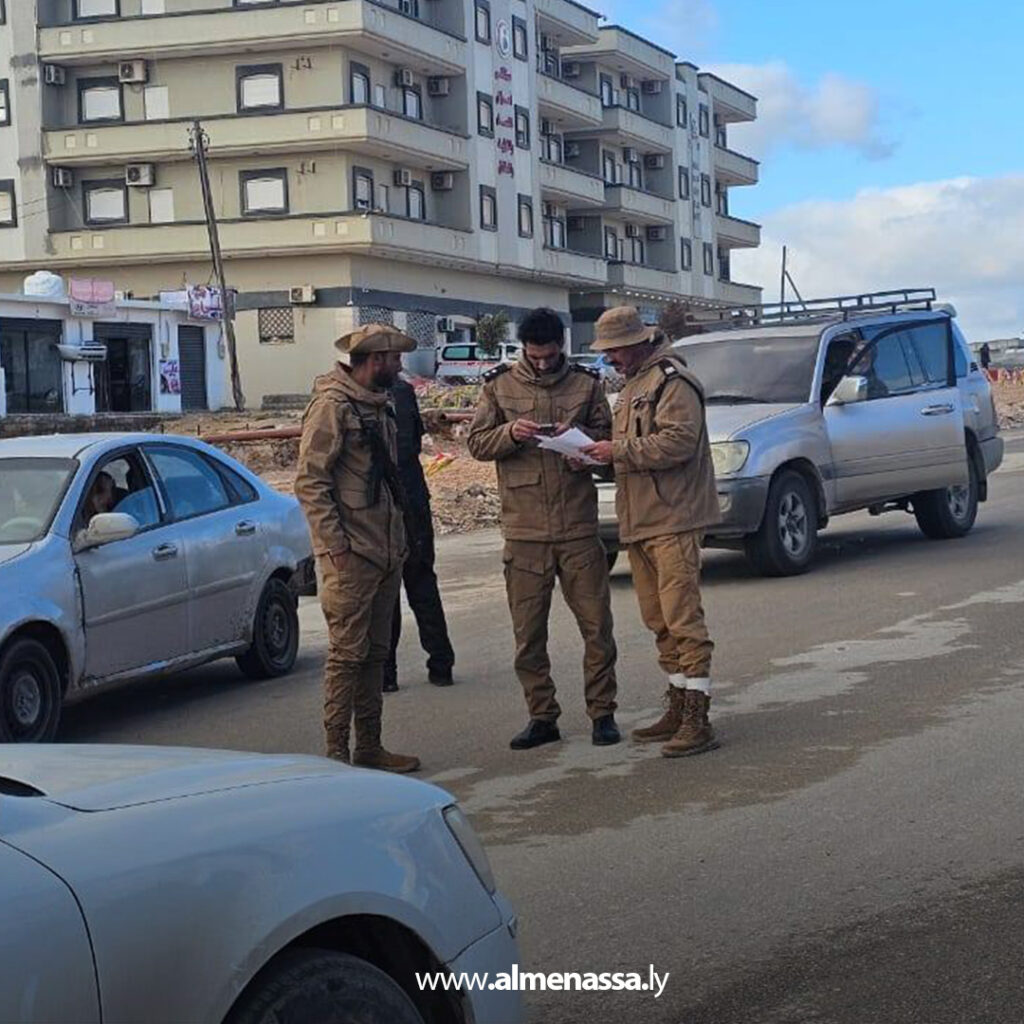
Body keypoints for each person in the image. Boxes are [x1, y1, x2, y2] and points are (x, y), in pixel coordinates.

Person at [468, 307, 620, 749]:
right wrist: (511, 433)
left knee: (597, 628)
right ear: (523, 350)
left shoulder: (586, 384)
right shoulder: (498, 385)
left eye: (550, 356)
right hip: (525, 531)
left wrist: (584, 448)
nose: (542, 363)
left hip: (577, 527)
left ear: (562, 347)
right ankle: (541, 715)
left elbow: (609, 444)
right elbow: (477, 444)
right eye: (534, 357)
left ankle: (603, 714)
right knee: (528, 634)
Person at [582, 306, 720, 758]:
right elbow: (630, 451)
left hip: (674, 517)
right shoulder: (634, 385)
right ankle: (678, 703)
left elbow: (679, 442)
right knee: (658, 621)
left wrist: (617, 451)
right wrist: (594, 455)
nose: (610, 358)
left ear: (638, 343)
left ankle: (698, 717)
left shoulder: (672, 382)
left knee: (683, 620)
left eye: (615, 350)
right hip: (640, 519)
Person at [294, 324, 421, 773]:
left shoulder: (378, 404)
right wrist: (335, 548)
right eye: (394, 358)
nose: (400, 365)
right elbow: (310, 482)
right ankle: (336, 754)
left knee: (375, 654)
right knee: (347, 656)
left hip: (384, 549)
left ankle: (369, 747)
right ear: (375, 360)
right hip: (351, 555)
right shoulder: (333, 406)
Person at [383, 374, 455, 692]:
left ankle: (386, 673)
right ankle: (440, 664)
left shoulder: (372, 395)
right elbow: (412, 444)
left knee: (388, 590)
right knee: (422, 582)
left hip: (388, 503)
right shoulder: (403, 391)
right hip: (412, 499)